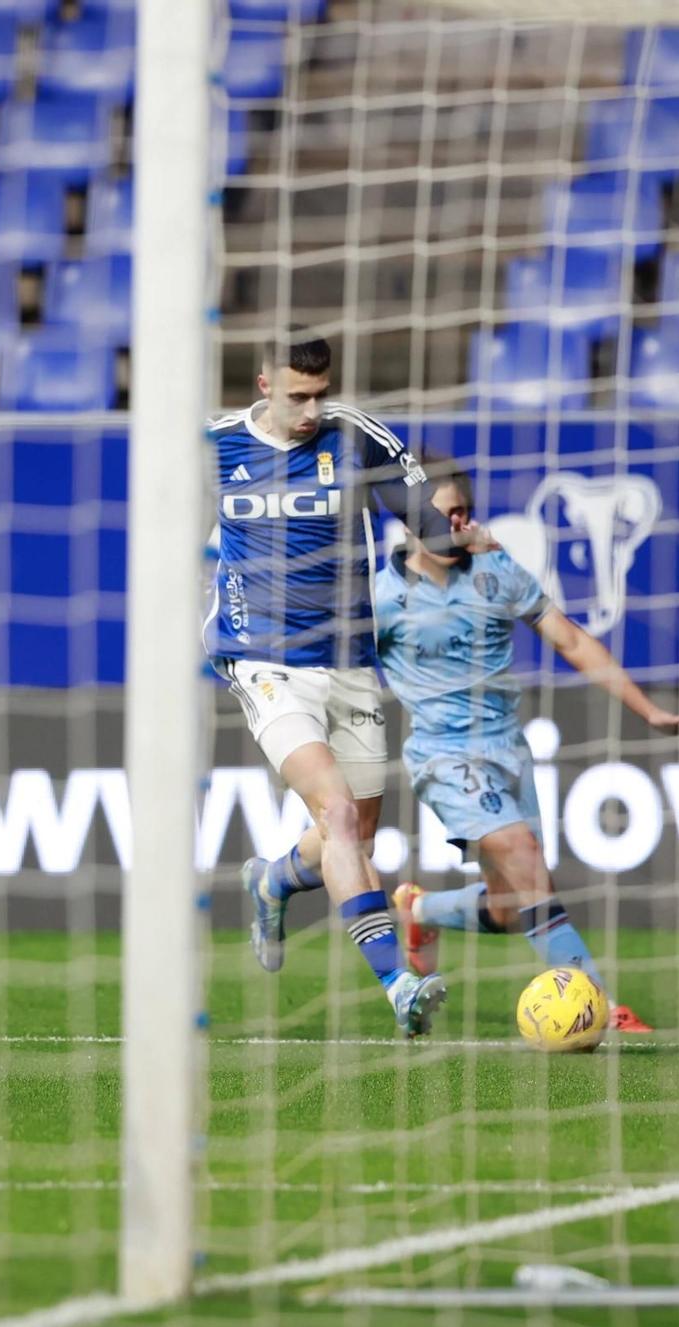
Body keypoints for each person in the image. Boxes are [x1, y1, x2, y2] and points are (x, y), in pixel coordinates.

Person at [378, 464, 679, 1032]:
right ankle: (601, 1007)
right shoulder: (381, 598)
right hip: (444, 756)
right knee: (526, 856)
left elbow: (572, 639)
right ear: (413, 520)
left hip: (510, 751)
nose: (460, 522)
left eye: (463, 510)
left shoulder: (496, 569)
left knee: (515, 907)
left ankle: (421, 911)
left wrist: (649, 710)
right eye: (445, 513)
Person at [213, 335, 486, 1036]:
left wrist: (452, 538)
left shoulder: (354, 436)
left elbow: (418, 508)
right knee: (335, 814)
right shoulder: (213, 446)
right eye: (295, 395)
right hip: (264, 661)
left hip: (350, 661)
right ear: (264, 383)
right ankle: (398, 983)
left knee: (354, 835)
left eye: (319, 394)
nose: (309, 410)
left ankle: (272, 879)